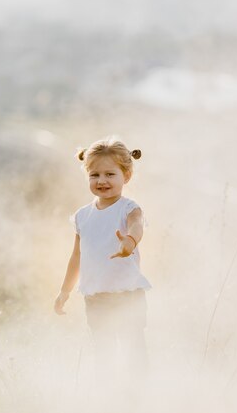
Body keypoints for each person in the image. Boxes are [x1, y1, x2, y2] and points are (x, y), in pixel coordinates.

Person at [54, 137, 152, 395]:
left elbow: (136, 226)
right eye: (94, 174)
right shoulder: (82, 216)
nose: (102, 180)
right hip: (96, 297)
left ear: (126, 176)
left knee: (133, 347)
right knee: (103, 351)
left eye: (110, 174)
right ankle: (106, 398)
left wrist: (129, 242)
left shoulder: (129, 208)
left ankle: (139, 396)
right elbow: (76, 257)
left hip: (128, 294)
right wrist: (65, 291)